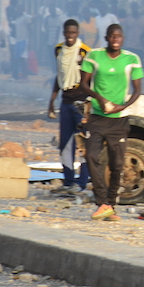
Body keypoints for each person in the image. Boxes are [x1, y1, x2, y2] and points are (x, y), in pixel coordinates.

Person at [79, 24, 144, 221]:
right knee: (91, 156)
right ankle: (101, 202)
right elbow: (83, 84)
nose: (116, 39)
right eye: (112, 36)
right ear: (106, 38)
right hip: (98, 118)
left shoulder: (132, 59)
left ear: (122, 38)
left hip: (119, 120)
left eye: (119, 36)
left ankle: (111, 206)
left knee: (117, 164)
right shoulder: (94, 56)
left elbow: (137, 90)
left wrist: (122, 107)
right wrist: (99, 99)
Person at [47, 19, 91, 193]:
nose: (70, 36)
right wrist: (52, 100)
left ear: (77, 33)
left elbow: (91, 78)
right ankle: (68, 181)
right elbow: (60, 76)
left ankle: (82, 183)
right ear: (64, 33)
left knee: (84, 143)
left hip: (81, 103)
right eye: (67, 33)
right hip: (65, 101)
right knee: (66, 143)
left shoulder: (85, 52)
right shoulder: (58, 50)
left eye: (73, 33)